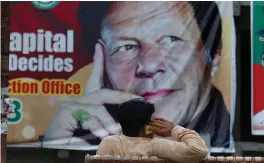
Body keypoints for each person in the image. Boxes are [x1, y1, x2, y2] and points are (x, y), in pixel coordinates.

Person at [45, 1, 230, 148]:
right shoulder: (88, 138)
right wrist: (59, 150)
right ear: (101, 62)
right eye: (126, 47)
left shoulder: (232, 144)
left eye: (171, 39)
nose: (148, 65)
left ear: (213, 57)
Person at [97, 99, 208, 163]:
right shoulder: (155, 145)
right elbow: (199, 151)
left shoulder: (108, 143)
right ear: (147, 127)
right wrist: (174, 129)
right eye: (153, 121)